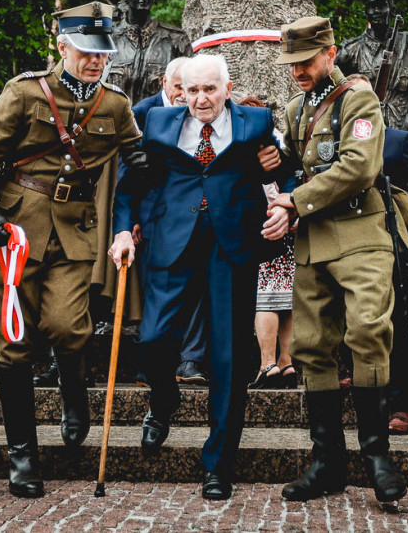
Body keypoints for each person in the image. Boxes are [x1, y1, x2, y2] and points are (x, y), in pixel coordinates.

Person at [0, 2, 143, 499]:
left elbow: (138, 159)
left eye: (101, 53)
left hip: (75, 231)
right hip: (12, 232)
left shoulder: (114, 104)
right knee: (13, 344)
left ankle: (74, 398)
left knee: (69, 326)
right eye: (86, 52)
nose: (95, 61)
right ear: (62, 47)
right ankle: (22, 454)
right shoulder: (23, 92)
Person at [110, 54, 291, 500]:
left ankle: (218, 466)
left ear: (227, 88)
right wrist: (122, 230)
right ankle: (164, 400)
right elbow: (130, 185)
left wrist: (279, 166)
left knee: (227, 359)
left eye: (209, 89)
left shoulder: (255, 122)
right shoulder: (158, 123)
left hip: (232, 249)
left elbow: (285, 167)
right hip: (172, 246)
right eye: (192, 90)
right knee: (153, 339)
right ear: (180, 91)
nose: (201, 99)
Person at [266, 16, 408, 504]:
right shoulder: (292, 110)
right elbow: (289, 163)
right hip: (312, 242)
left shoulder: (358, 100)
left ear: (329, 53)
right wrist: (274, 165)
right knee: (310, 346)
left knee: (368, 331)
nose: (299, 71)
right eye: (292, 64)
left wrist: (293, 200)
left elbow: (359, 165)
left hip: (360, 234)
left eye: (306, 62)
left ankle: (377, 458)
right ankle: (327, 461)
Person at [346, 73, 408, 434]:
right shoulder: (332, 138)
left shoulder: (396, 141)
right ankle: (360, 377)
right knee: (346, 317)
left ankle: (401, 404)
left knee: (394, 321)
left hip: (385, 239)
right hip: (341, 239)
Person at [130, 56, 209, 385]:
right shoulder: (142, 113)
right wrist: (132, 218)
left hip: (193, 217)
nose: (184, 94)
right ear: (165, 82)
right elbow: (129, 172)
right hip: (152, 216)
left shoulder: (205, 112)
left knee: (197, 287)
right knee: (155, 291)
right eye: (180, 86)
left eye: (189, 87)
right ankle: (153, 362)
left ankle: (190, 359)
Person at [241, 96, 297, 390]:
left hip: (262, 228)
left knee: (266, 298)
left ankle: (268, 363)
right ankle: (287, 362)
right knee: (285, 299)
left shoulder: (245, 149)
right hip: (285, 227)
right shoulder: (278, 146)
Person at [336, 0, 408, 129]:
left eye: (381, 6)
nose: (377, 11)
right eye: (372, 6)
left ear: (391, 8)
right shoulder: (350, 51)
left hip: (407, 133)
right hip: (365, 131)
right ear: (366, 11)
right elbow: (334, 97)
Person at [108, 0, 193, 105]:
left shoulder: (176, 40)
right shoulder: (108, 38)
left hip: (159, 122)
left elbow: (190, 87)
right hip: (115, 123)